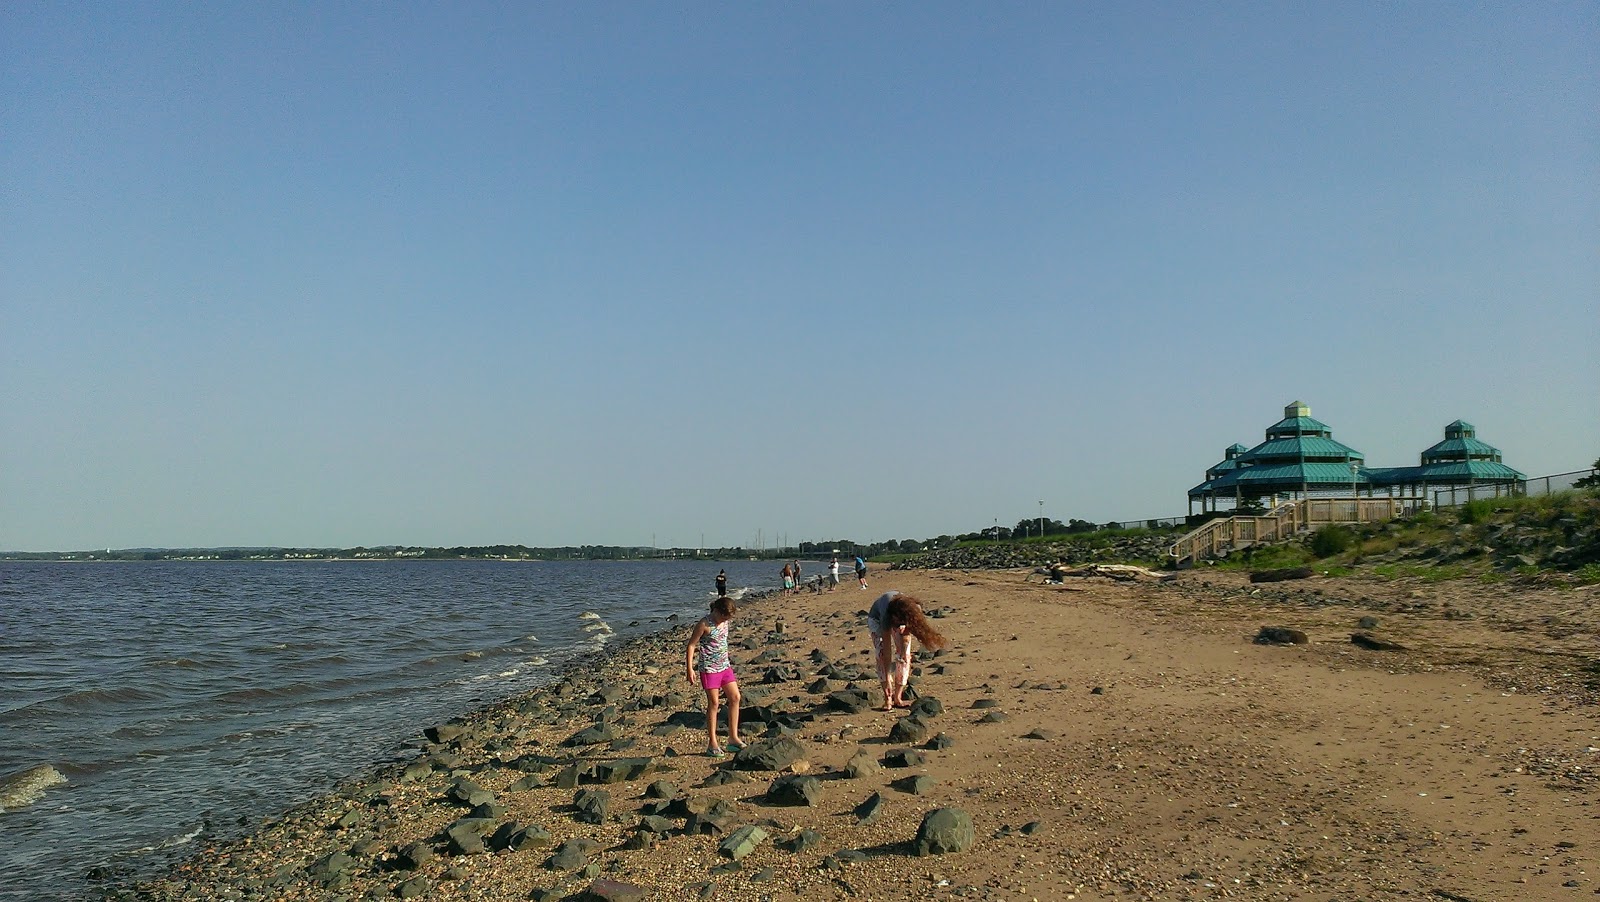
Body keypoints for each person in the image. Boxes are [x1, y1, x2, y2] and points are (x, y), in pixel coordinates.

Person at [866, 591, 947, 711]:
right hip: (876, 619)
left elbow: (906, 635)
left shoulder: (914, 610)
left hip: (900, 615)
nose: (897, 625)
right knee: (881, 654)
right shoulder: (886, 616)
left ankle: (898, 697)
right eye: (897, 622)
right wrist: (888, 676)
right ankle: (887, 698)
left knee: (905, 655)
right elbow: (887, 650)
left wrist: (903, 652)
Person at [686, 596, 745, 757]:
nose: (724, 621)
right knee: (714, 703)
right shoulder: (704, 624)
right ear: (716, 611)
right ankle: (712, 744)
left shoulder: (725, 621)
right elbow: (691, 645)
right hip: (709, 669)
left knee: (735, 697)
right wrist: (689, 668)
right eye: (723, 617)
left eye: (728, 618)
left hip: (725, 667)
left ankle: (733, 738)